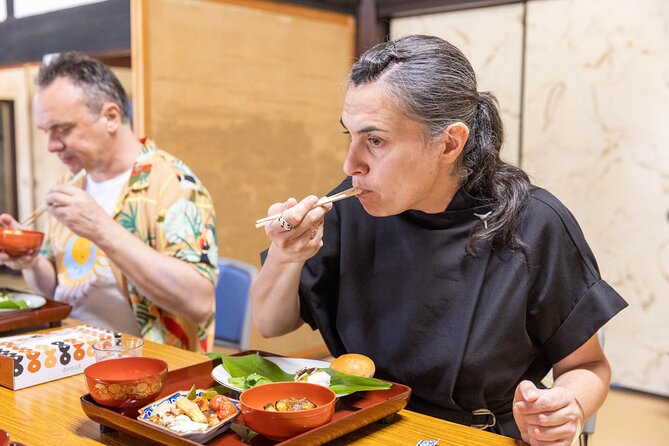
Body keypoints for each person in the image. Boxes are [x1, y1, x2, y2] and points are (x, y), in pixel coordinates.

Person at [251, 35, 627, 444]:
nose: (351, 163)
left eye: (374, 141)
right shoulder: (354, 205)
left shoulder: (534, 224)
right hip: (360, 425)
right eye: (350, 136)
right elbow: (271, 324)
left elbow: (589, 366)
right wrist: (285, 257)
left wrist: (566, 407)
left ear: (449, 142)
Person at [0, 52, 218, 353]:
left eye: (62, 129)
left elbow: (199, 303)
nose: (51, 146)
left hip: (151, 369)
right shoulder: (71, 183)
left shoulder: (173, 183)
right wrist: (32, 261)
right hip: (70, 352)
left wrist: (101, 228)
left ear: (111, 117)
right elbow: (57, 289)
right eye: (46, 132)